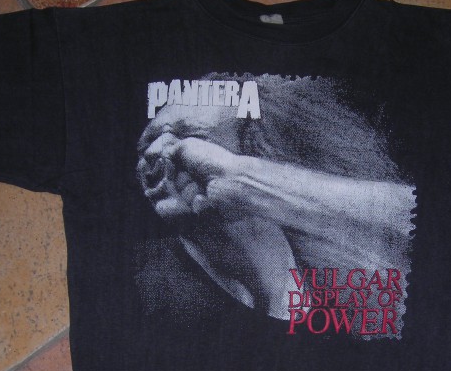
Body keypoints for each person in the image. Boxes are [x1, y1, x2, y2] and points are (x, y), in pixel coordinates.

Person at [136, 74, 416, 336]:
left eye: (190, 137)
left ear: (264, 153)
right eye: (149, 140)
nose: (152, 152)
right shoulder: (144, 281)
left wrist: (243, 181)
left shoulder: (356, 284)